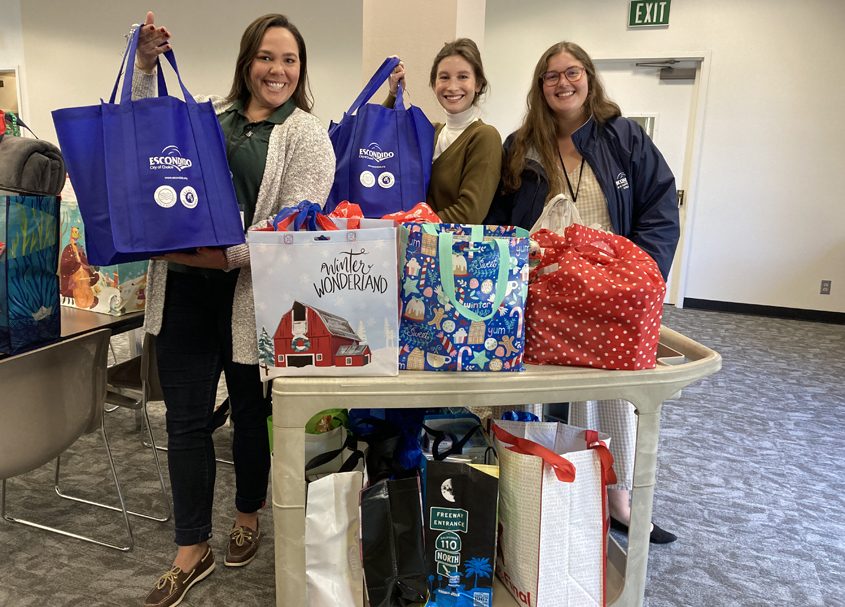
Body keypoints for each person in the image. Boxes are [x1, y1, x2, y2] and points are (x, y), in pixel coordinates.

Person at [133, 12, 335, 606]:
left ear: (301, 69)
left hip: (254, 294)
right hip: (185, 290)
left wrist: (221, 258)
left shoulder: (306, 133)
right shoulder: (208, 119)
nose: (277, 70)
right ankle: (191, 549)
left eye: (289, 60)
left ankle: (248, 513)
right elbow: (145, 137)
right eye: (266, 57)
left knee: (249, 414)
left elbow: (293, 223)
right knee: (186, 421)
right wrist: (144, 65)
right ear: (247, 61)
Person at [485, 41, 680, 543]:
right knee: (544, 390)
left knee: (613, 388)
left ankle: (618, 499)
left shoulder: (624, 137)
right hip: (546, 289)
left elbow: (660, 208)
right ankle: (548, 493)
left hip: (612, 287)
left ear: (589, 78)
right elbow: (502, 221)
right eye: (551, 75)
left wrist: (647, 279)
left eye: (572, 73)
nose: (563, 83)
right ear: (539, 85)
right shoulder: (520, 145)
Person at [386, 38, 501, 224]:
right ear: (434, 84)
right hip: (415, 245)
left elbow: (469, 214)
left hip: (452, 250)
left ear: (478, 84)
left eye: (463, 77)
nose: (452, 86)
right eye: (444, 77)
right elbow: (383, 143)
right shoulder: (430, 132)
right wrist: (393, 94)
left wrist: (411, 225)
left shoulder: (484, 137)